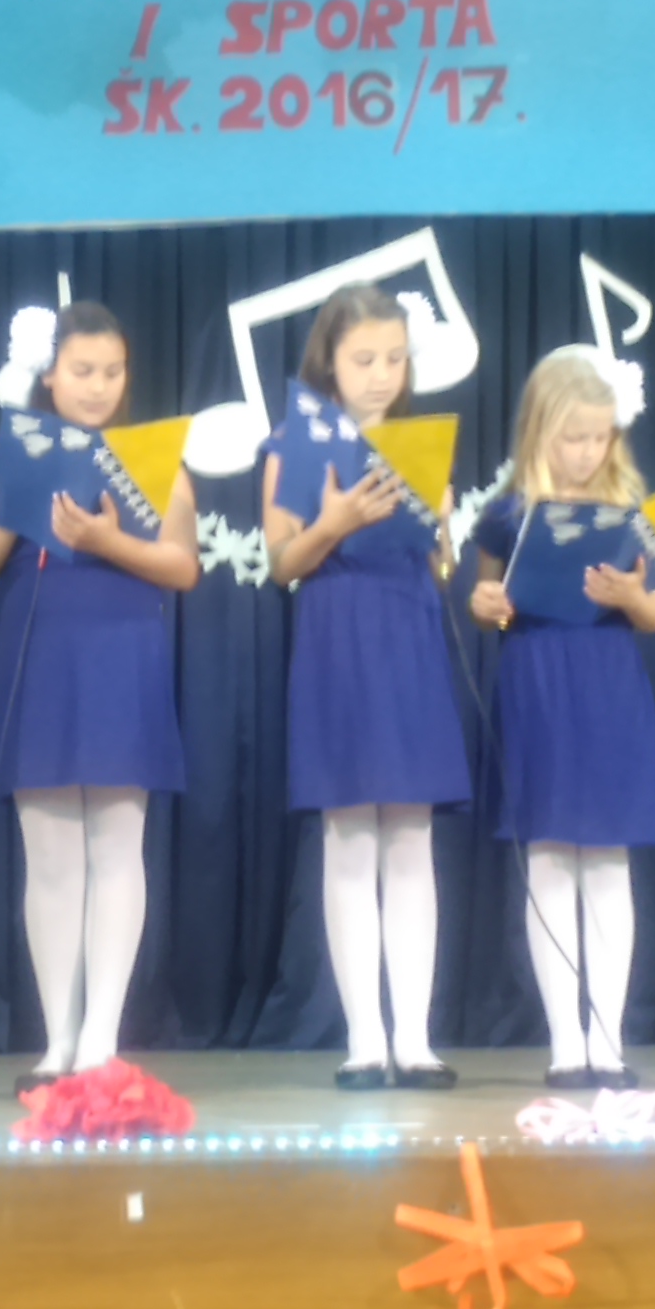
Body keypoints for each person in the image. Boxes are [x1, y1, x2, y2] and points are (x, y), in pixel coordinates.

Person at [0, 301, 200, 1092]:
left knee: (118, 848)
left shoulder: (149, 458)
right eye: (83, 371)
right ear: (49, 375)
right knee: (52, 857)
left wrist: (105, 541)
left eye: (112, 371)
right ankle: (58, 1039)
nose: (98, 386)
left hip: (123, 655)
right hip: (41, 657)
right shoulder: (3, 460)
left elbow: (183, 566)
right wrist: (27, 502)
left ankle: (101, 1040)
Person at [262, 284, 470, 1091]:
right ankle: (364, 1039)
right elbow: (283, 562)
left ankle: (414, 1038)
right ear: (330, 363)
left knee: (411, 837)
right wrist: (334, 523)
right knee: (349, 836)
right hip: (337, 634)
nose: (382, 374)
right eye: (364, 359)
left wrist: (441, 522)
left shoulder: (419, 444)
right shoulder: (293, 444)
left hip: (408, 630)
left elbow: (442, 565)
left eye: (395, 358)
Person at [465, 346, 655, 1090]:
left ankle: (607, 1042)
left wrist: (630, 597)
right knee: (550, 858)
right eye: (572, 437)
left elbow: (654, 614)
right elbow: (488, 603)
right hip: (539, 683)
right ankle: (566, 1046)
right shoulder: (508, 513)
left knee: (608, 861)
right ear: (539, 433)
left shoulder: (632, 514)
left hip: (608, 686)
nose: (586, 452)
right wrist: (487, 605)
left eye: (599, 438)